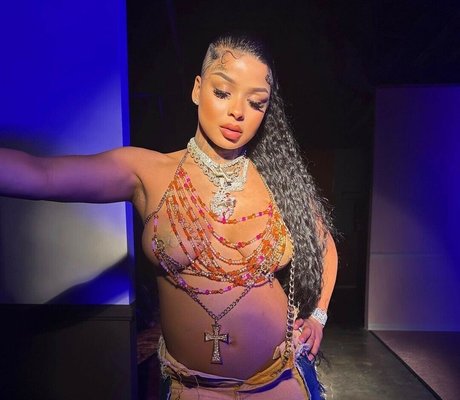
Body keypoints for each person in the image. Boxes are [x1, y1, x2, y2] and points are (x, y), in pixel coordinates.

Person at [0, 34, 337, 399]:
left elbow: (325, 245)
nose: (238, 111)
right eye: (223, 92)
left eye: (256, 102)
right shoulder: (150, 172)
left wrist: (318, 316)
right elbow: (41, 174)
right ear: (197, 89)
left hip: (281, 380)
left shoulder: (279, 180)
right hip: (193, 389)